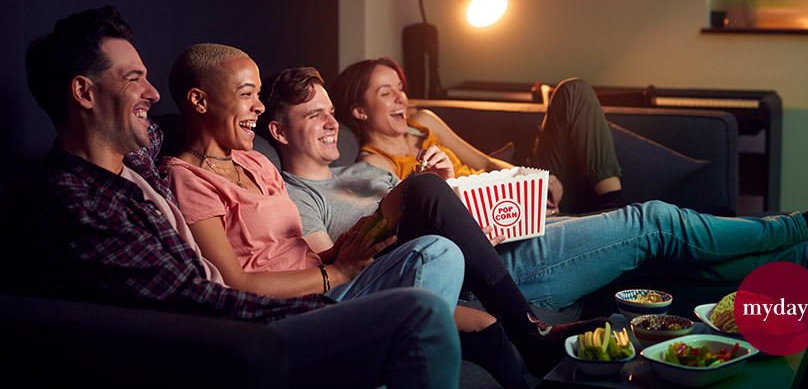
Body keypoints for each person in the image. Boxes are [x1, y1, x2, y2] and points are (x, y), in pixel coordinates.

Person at [23, 6, 461, 389]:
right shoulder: (77, 202)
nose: (151, 93)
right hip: (231, 340)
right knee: (418, 311)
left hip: (280, 306)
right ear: (83, 92)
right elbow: (194, 300)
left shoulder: (135, 154)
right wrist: (334, 290)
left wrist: (226, 117)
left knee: (435, 258)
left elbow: (184, 122)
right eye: (134, 79)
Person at [164, 45, 614, 385]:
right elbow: (233, 283)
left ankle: (524, 338)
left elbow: (303, 252)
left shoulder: (257, 163)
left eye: (259, 95)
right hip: (299, 307)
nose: (258, 107)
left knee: (435, 231)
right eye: (247, 95)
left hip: (332, 279)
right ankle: (527, 333)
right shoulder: (187, 178)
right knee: (438, 242)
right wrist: (337, 273)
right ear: (200, 102)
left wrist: (350, 247)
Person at [261, 66, 808, 312]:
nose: (329, 121)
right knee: (653, 223)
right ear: (278, 129)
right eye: (316, 114)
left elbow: (475, 183)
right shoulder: (309, 192)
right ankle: (800, 227)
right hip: (488, 273)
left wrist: (455, 174)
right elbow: (334, 273)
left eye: (327, 111)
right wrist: (424, 195)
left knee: (655, 259)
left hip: (506, 239)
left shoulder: (368, 167)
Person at [333, 57, 623, 214]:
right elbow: (427, 218)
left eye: (400, 88)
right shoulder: (376, 165)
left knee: (573, 91)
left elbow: (485, 164)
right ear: (359, 111)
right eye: (386, 93)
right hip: (497, 217)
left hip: (524, 193)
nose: (401, 99)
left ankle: (613, 203)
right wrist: (520, 206)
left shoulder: (423, 123)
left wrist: (532, 179)